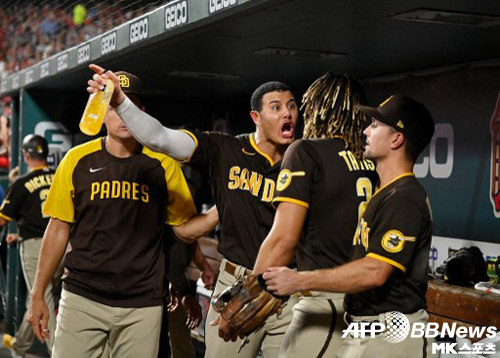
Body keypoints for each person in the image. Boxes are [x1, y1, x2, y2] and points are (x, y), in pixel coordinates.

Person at [87, 63, 300, 357]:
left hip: (285, 285)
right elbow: (160, 138)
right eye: (276, 107)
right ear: (256, 117)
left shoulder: (304, 160)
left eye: (291, 106)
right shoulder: (224, 149)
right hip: (236, 281)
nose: (287, 113)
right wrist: (122, 103)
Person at [27, 71, 198, 358]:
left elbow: (184, 229)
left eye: (129, 107)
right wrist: (37, 293)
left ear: (141, 113)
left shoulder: (163, 165)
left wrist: (223, 211)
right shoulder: (76, 160)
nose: (123, 115)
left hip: (142, 303)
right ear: (101, 113)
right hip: (83, 296)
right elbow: (58, 228)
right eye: (114, 107)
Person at [263, 94, 437, 358]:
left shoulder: (404, 198)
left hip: (394, 338)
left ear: (396, 139)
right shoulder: (386, 193)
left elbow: (375, 271)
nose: (366, 130)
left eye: (376, 125)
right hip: (367, 332)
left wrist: (298, 280)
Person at [249, 72, 377, 357]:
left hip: (324, 303)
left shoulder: (306, 151)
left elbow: (283, 240)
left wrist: (248, 298)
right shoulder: (374, 159)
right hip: (369, 304)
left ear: (317, 106)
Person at [0, 134, 60, 358]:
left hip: (38, 247)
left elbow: (2, 219)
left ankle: (58, 352)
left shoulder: (22, 182)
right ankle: (20, 345)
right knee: (35, 299)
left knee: (42, 297)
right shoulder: (60, 176)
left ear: (26, 154)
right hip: (65, 245)